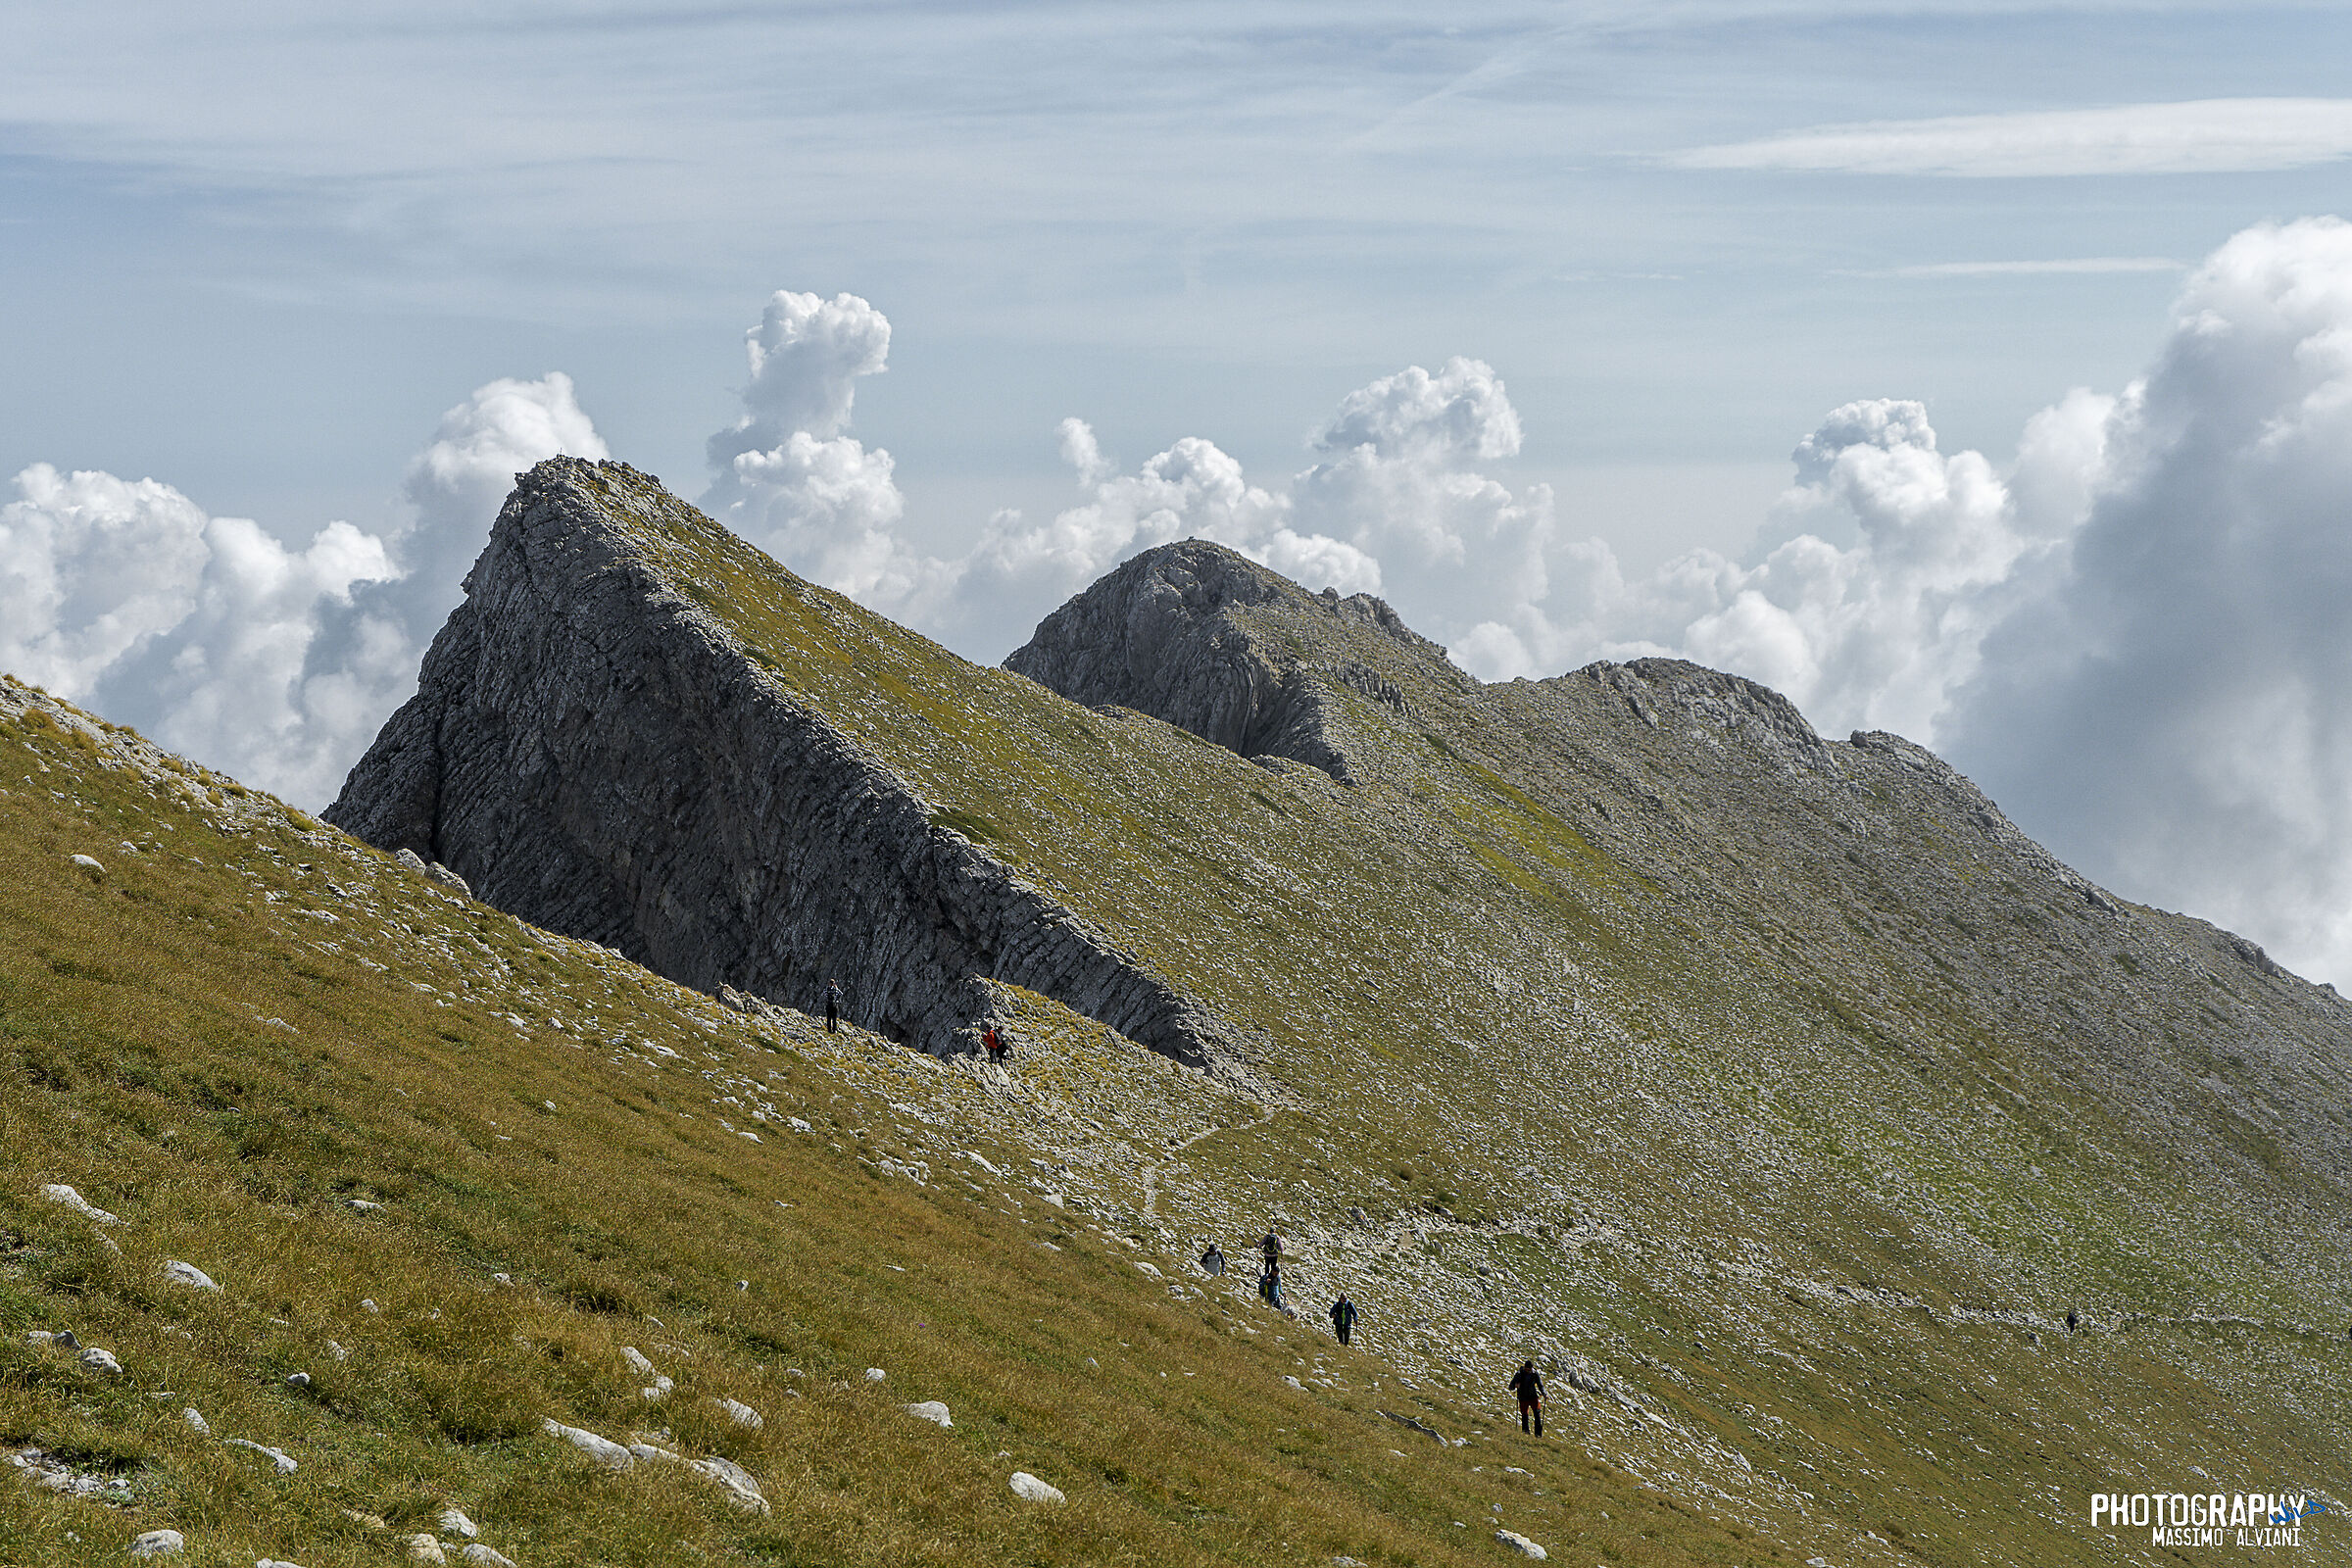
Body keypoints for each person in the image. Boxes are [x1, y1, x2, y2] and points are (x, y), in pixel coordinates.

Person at [1508, 1359, 1544, 1437]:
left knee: (1537, 1414)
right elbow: (1510, 1386)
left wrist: (1544, 1394)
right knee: (1524, 1415)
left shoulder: (1535, 1374)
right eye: (1527, 1369)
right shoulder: (1519, 1374)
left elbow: (1540, 1385)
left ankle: (1538, 1435)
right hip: (1523, 1397)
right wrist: (1515, 1385)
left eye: (1529, 1369)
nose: (1528, 1371)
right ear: (1524, 1367)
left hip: (1533, 1396)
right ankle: (1526, 1433)